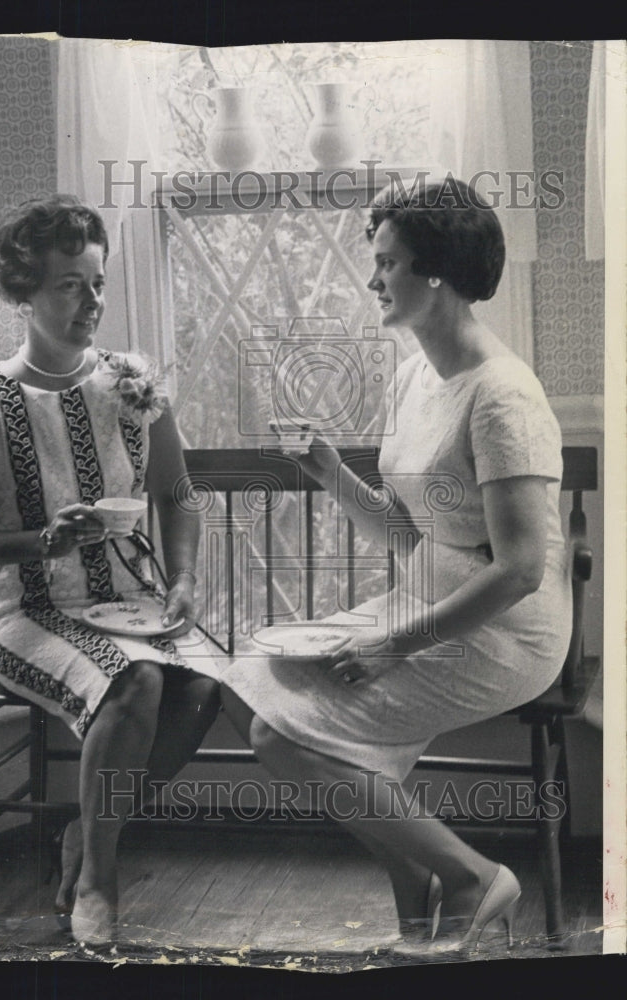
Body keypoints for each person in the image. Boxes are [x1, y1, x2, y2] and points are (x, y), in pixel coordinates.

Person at [220, 178, 572, 956]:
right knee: (249, 684)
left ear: (436, 271)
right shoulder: (417, 373)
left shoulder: (503, 396)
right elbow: (411, 535)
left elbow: (519, 569)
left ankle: (474, 877)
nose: (374, 279)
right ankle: (414, 875)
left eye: (388, 263)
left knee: (281, 736)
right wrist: (330, 474)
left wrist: (391, 645)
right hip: (426, 597)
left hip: (506, 629)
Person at [0, 195, 220, 949]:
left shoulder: (132, 383)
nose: (92, 302)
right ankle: (99, 876)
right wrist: (39, 543)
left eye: (97, 283)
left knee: (202, 685)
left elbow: (178, 494)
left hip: (129, 603)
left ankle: (85, 834)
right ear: (23, 295)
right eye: (69, 286)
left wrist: (183, 581)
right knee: (137, 681)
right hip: (24, 613)